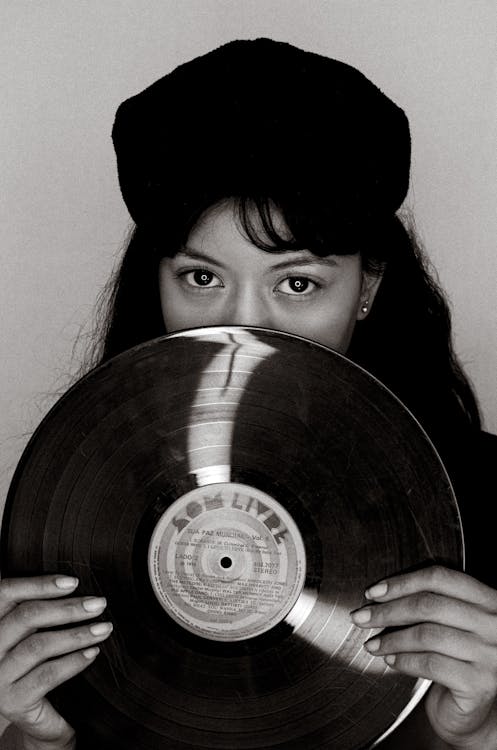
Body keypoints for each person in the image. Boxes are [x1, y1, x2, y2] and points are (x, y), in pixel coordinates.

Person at [1, 38, 496, 750]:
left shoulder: (489, 498)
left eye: (297, 283)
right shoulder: (72, 512)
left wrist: (478, 733)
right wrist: (39, 740)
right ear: (158, 279)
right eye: (201, 278)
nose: (244, 326)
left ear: (368, 288)